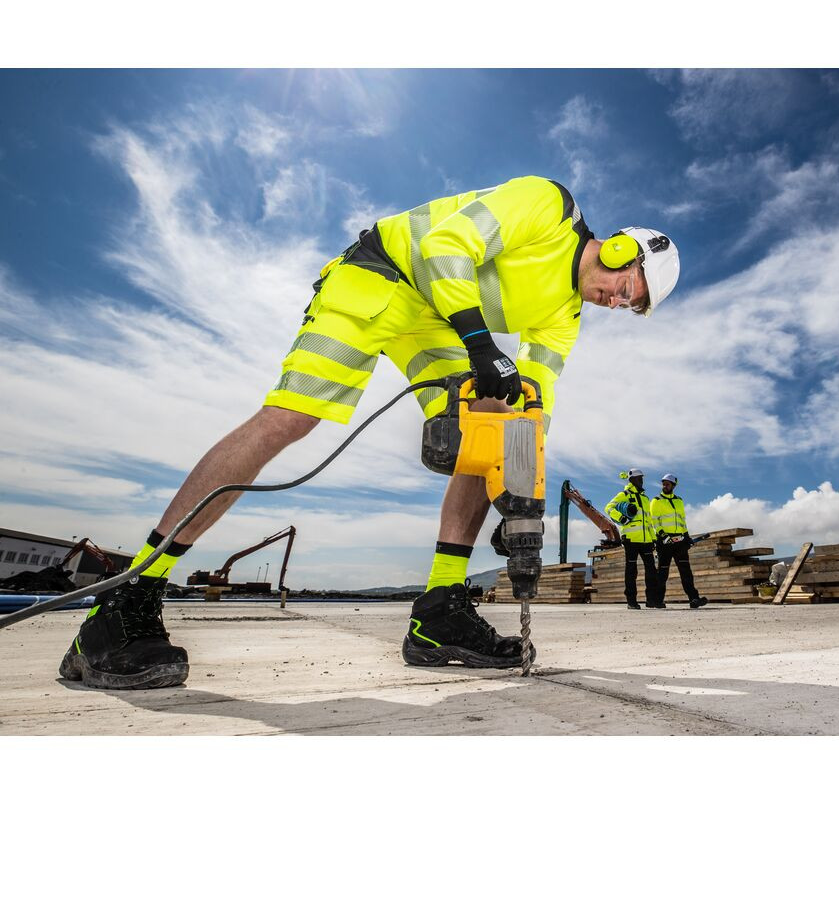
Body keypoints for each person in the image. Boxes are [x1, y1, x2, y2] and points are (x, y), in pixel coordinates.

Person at [58, 175, 682, 689]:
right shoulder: (548, 205)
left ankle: (440, 612)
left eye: (631, 307)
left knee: (491, 422)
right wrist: (479, 342)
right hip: (380, 276)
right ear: (620, 251)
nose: (618, 303)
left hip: (434, 320)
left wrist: (519, 497)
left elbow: (532, 412)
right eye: (628, 289)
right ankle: (129, 597)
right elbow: (444, 245)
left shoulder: (565, 316)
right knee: (290, 419)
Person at [652, 473, 708, 609]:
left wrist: (686, 536)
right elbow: (654, 521)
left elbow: (682, 520)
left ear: (673, 486)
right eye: (663, 484)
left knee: (686, 572)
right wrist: (663, 535)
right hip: (664, 542)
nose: (665, 486)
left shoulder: (679, 501)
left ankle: (694, 599)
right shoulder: (656, 501)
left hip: (680, 542)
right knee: (662, 573)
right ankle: (658, 601)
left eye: (667, 484)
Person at [605, 469, 658, 608]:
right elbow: (608, 508)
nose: (641, 481)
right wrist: (621, 518)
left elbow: (649, 521)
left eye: (642, 478)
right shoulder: (624, 495)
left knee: (651, 571)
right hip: (631, 539)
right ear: (632, 480)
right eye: (639, 478)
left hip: (646, 541)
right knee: (631, 571)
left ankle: (651, 600)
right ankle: (631, 601)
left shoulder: (645, 499)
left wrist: (653, 539)